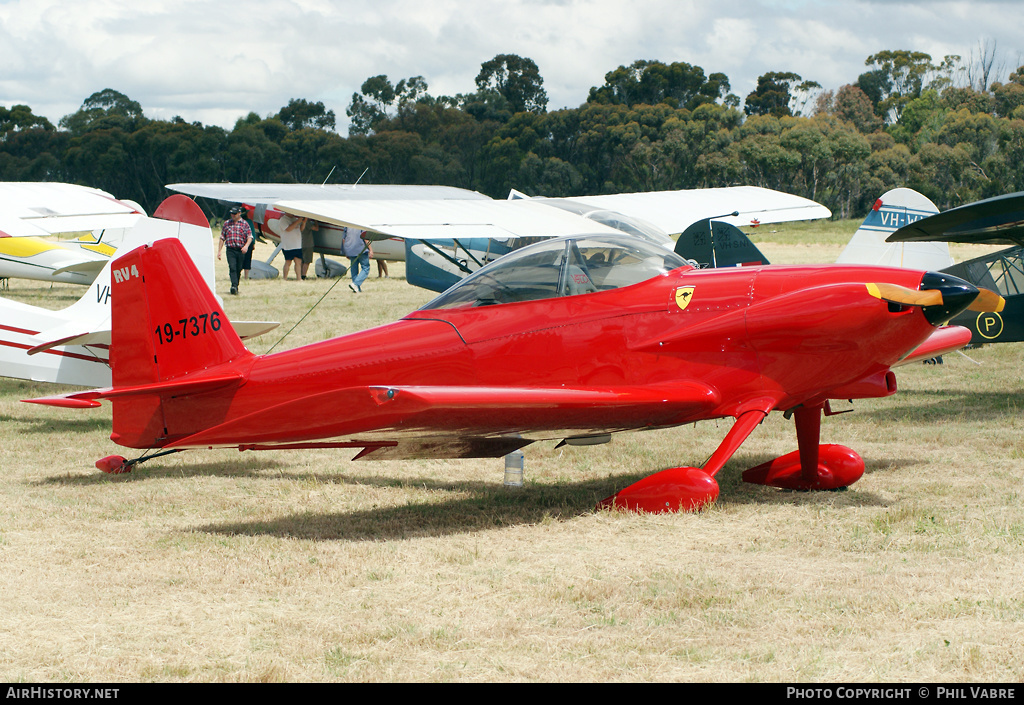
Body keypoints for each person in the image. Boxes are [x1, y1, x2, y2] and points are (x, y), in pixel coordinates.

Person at [217, 206, 253, 295]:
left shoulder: (244, 224)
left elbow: (250, 237)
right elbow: (222, 237)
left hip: (240, 250)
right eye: (232, 213)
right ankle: (234, 286)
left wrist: (246, 246)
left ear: (239, 213)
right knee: (232, 267)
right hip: (230, 249)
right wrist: (219, 251)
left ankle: (236, 285)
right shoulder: (226, 224)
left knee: (238, 268)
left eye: (234, 213)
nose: (232, 215)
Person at [342, 226, 372, 293]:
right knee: (366, 268)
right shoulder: (361, 224)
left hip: (350, 249)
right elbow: (365, 238)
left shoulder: (347, 226)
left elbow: (344, 239)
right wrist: (371, 249)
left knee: (354, 269)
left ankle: (356, 288)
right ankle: (356, 284)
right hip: (361, 249)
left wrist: (346, 251)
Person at [280, 215, 305, 281]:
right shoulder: (283, 219)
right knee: (288, 262)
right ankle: (285, 278)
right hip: (288, 245)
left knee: (298, 262)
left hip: (297, 244)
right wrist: (297, 221)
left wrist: (303, 222)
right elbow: (288, 229)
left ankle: (299, 278)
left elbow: (301, 229)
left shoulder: (296, 219)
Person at [239, 208, 257, 280]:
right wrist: (253, 243)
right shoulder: (249, 222)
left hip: (239, 243)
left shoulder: (237, 222)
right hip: (248, 243)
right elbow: (253, 233)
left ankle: (238, 275)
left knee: (239, 260)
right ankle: (246, 277)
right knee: (247, 260)